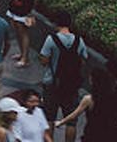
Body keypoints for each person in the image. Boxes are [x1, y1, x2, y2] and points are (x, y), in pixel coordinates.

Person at [38, 12, 87, 140]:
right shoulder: (79, 40)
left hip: (52, 83)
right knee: (71, 122)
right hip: (72, 85)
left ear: (57, 23)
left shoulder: (51, 39)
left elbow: (44, 61)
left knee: (49, 118)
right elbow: (83, 61)